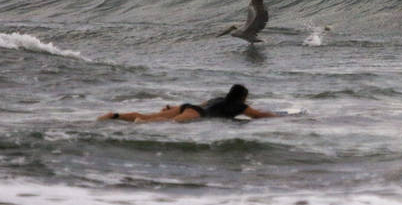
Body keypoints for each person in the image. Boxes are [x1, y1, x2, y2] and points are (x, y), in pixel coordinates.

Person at [98, 84, 280, 122]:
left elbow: (200, 103)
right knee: (168, 123)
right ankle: (140, 124)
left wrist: (173, 108)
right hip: (197, 114)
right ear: (243, 97)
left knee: (148, 116)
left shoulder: (218, 99)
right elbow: (257, 115)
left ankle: (115, 115)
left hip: (190, 107)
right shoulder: (239, 106)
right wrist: (278, 116)